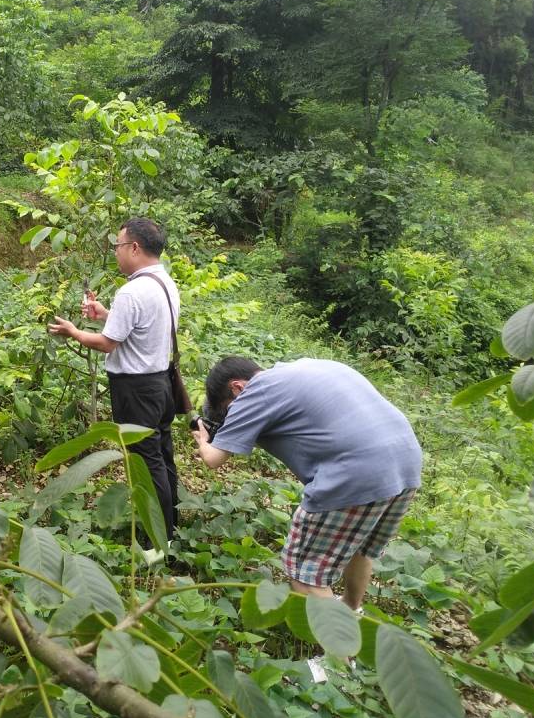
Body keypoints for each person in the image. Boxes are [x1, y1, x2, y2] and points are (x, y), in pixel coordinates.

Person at [191, 356, 422, 610]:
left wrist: (203, 440)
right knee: (361, 548)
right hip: (406, 460)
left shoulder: (256, 391)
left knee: (305, 573)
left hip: (355, 472)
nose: (233, 414)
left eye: (229, 408)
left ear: (237, 388)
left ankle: (339, 649)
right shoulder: (306, 367)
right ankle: (351, 613)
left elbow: (214, 459)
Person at [48, 218, 181, 550]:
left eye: (118, 246)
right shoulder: (163, 282)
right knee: (162, 455)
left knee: (147, 462)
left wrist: (74, 332)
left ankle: (155, 543)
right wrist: (107, 312)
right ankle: (171, 528)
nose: (117, 253)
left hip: (136, 390)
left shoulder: (133, 289)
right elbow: (141, 326)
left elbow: (108, 344)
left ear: (134, 248)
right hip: (160, 383)